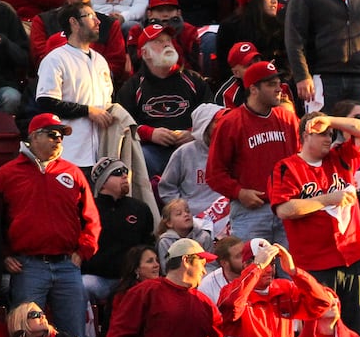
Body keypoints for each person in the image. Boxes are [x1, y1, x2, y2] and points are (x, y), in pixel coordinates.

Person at [0, 112, 99, 337]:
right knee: (25, 336)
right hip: (28, 266)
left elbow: (91, 217)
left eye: (61, 135)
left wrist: (83, 251)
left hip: (67, 265)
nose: (58, 139)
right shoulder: (7, 174)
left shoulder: (73, 172)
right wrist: (4, 255)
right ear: (34, 137)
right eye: (52, 134)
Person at [269, 112, 360, 334]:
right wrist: (327, 199)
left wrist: (331, 119)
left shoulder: (341, 157)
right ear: (305, 135)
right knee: (318, 331)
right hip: (314, 265)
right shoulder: (287, 167)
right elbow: (285, 209)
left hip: (352, 257)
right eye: (321, 134)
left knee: (355, 330)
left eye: (330, 134)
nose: (328, 138)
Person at [207, 61, 299, 247]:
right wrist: (239, 192)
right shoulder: (231, 123)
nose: (278, 89)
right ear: (254, 89)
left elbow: (301, 160)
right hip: (250, 212)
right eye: (270, 84)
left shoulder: (288, 119)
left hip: (287, 208)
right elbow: (214, 174)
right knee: (253, 273)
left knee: (290, 274)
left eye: (278, 83)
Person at [34, 0, 117, 175]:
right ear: (73, 22)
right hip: (70, 153)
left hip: (102, 154)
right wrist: (88, 111)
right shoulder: (55, 59)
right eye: (91, 16)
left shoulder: (100, 60)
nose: (98, 21)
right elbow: (46, 103)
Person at [118, 23, 211, 176]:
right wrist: (150, 134)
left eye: (168, 40)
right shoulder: (133, 86)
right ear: (145, 53)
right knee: (140, 157)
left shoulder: (193, 80)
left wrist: (193, 133)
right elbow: (122, 124)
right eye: (158, 41)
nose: (167, 44)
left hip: (191, 147)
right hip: (152, 151)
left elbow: (212, 116)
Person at [84, 157, 155, 309]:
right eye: (117, 172)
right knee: (82, 286)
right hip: (97, 278)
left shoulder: (140, 208)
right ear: (102, 183)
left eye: (125, 171)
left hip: (132, 279)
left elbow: (148, 244)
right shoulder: (88, 209)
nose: (124, 175)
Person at [159, 103, 228, 238]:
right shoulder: (185, 152)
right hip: (191, 221)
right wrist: (181, 212)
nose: (224, 126)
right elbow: (166, 187)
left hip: (227, 219)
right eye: (218, 122)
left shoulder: (234, 151)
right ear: (205, 125)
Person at [214, 0, 284, 84]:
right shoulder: (230, 27)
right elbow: (225, 67)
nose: (274, 1)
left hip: (275, 83)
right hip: (241, 86)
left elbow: (286, 66)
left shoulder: (279, 26)